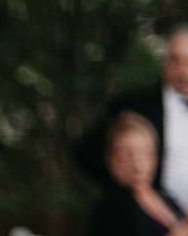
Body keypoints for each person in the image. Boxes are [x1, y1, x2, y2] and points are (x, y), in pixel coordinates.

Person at [78, 26, 188, 210]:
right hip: (153, 225)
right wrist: (131, 194)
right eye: (176, 61)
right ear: (164, 64)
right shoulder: (134, 106)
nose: (184, 71)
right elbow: (88, 154)